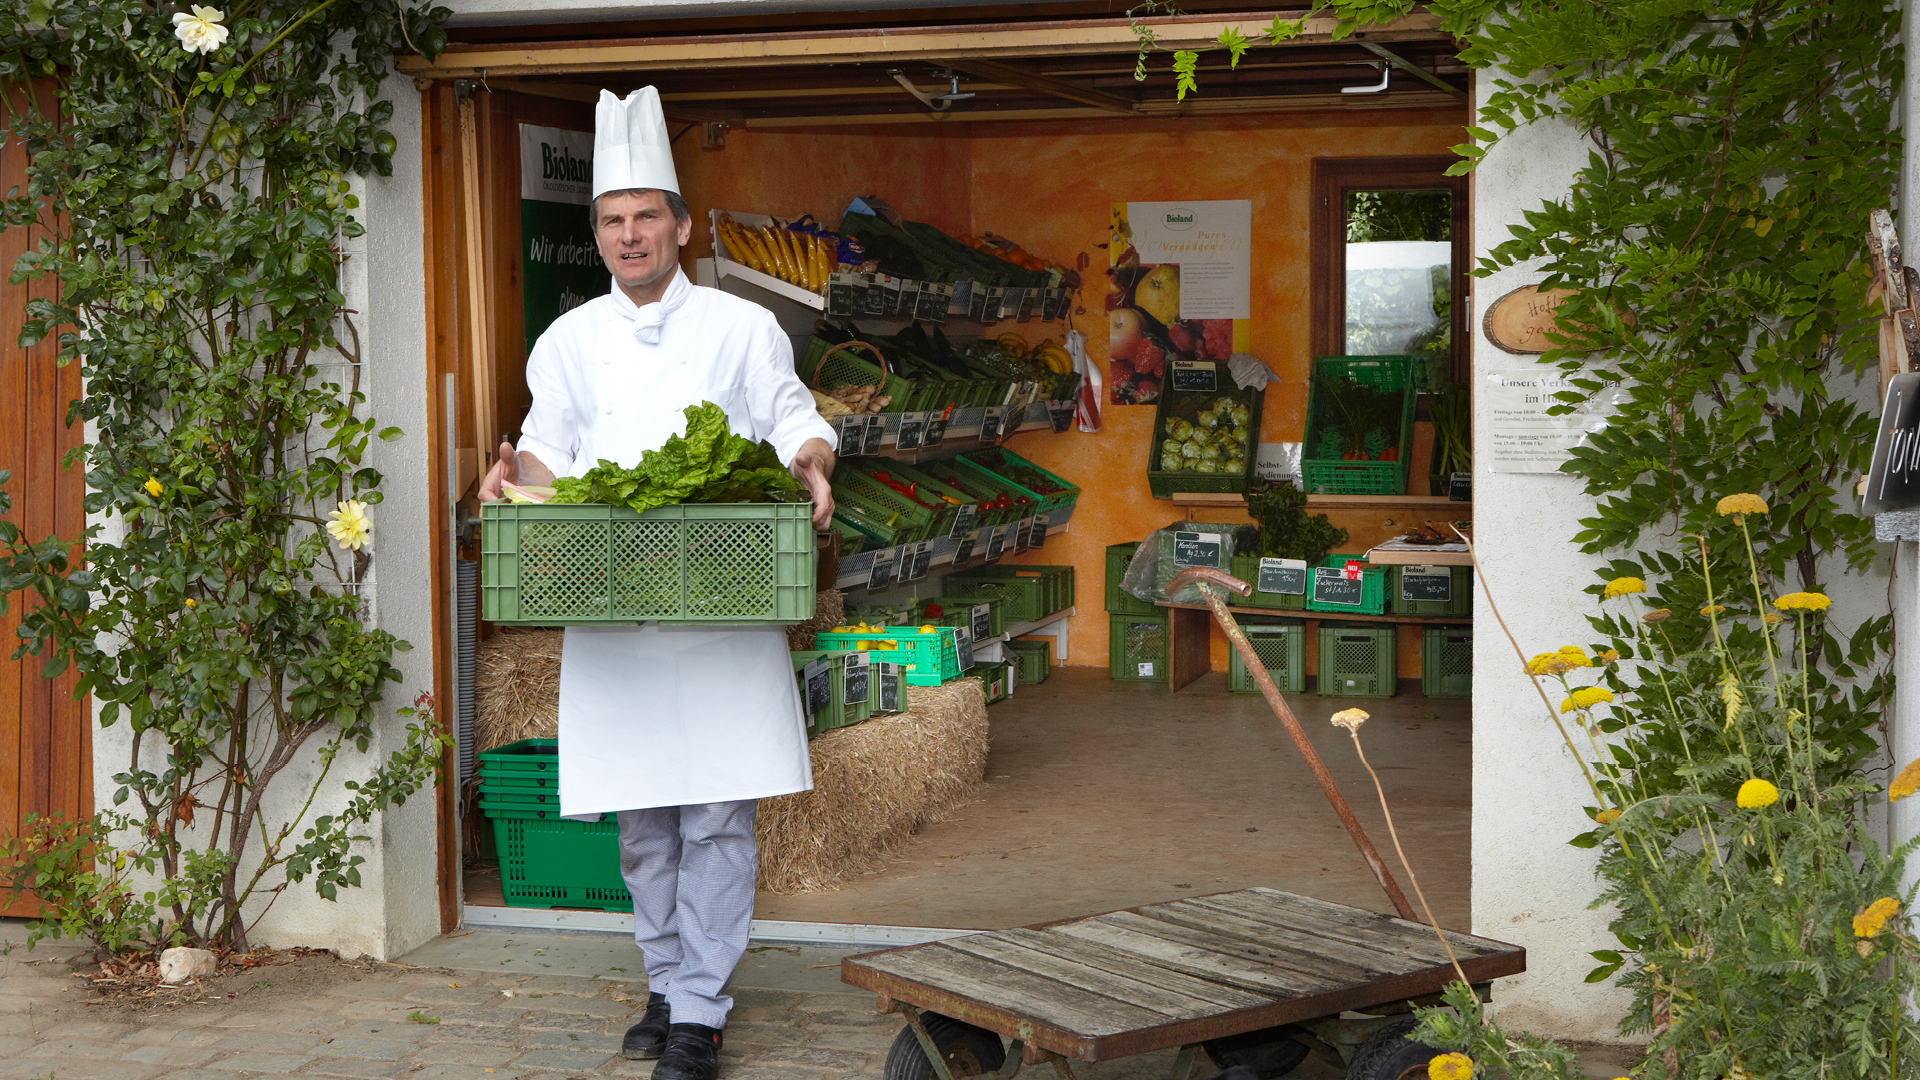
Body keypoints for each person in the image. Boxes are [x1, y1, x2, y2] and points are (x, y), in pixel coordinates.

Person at [478, 87, 835, 1080]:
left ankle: (701, 1013)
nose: (630, 235)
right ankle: (668, 976)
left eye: (647, 217)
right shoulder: (570, 340)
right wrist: (514, 485)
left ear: (681, 226)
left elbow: (792, 415)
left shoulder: (741, 326)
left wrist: (811, 462)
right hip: (614, 603)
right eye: (612, 220)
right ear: (596, 234)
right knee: (642, 818)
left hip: (722, 598)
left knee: (717, 814)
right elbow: (548, 453)